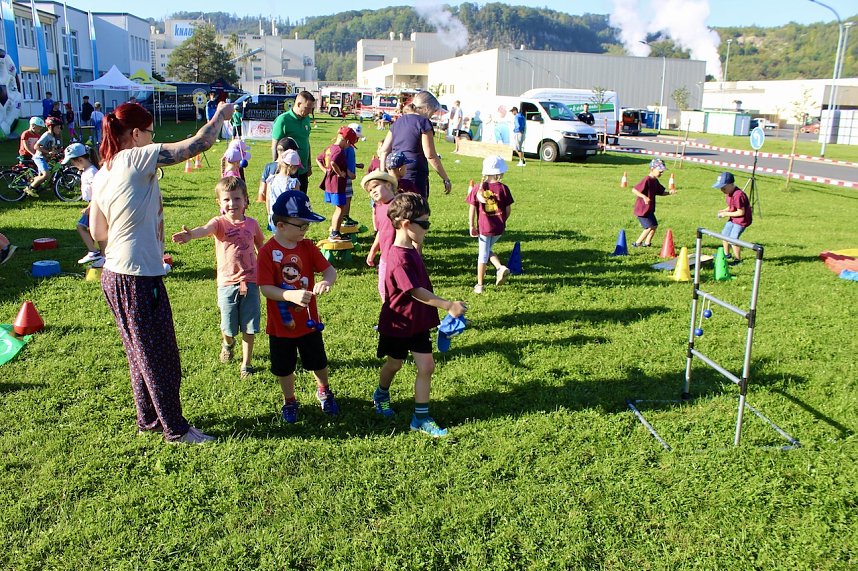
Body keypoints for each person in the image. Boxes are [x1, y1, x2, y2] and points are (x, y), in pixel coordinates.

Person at [88, 100, 235, 444]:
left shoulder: (104, 170)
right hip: (138, 277)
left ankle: (148, 419)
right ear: (136, 134)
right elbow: (197, 144)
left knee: (138, 352)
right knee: (159, 356)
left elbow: (97, 231)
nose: (154, 138)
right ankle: (176, 430)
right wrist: (220, 116)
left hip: (114, 274)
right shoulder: (134, 157)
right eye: (151, 133)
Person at [372, 192, 467, 437]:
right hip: (398, 322)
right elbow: (414, 291)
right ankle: (381, 393)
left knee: (427, 366)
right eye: (424, 224)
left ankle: (420, 418)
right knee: (394, 364)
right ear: (405, 224)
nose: (427, 228)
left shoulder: (412, 249)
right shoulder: (397, 257)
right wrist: (447, 305)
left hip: (417, 322)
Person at [257, 190, 339, 424]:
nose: (305, 229)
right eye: (300, 224)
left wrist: (326, 280)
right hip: (281, 327)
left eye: (307, 225)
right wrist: (290, 295)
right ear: (280, 225)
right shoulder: (266, 252)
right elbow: (265, 289)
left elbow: (329, 270)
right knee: (284, 368)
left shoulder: (308, 247)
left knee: (318, 362)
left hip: (309, 323)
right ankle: (289, 400)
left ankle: (324, 390)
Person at [171, 177, 265, 379]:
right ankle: (228, 343)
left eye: (237, 199)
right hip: (227, 284)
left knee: (250, 326)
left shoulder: (253, 224)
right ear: (219, 203)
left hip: (250, 281)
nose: (232, 204)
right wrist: (191, 235)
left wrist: (270, 265)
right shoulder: (219, 223)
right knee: (229, 327)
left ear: (246, 200)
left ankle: (246, 364)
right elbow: (205, 230)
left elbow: (261, 247)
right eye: (227, 200)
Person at [378, 91, 452, 200]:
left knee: (398, 207)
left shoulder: (398, 121)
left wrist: (384, 174)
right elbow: (430, 155)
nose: (433, 114)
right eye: (434, 110)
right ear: (427, 107)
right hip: (414, 173)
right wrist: (445, 178)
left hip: (395, 170)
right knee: (417, 209)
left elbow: (384, 150)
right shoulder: (424, 123)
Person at [467, 155, 514, 294]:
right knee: (487, 251)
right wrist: (503, 220)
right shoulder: (504, 188)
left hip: (484, 228)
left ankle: (480, 285)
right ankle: (500, 268)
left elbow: (471, 208)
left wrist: (471, 225)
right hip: (498, 228)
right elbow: (508, 209)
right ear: (499, 172)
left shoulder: (477, 188)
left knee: (482, 254)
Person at [62, 142, 105, 268]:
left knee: (82, 226)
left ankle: (94, 252)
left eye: (72, 162)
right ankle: (102, 255)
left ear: (80, 159)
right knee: (95, 230)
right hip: (93, 204)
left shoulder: (92, 172)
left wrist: (90, 207)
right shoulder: (86, 170)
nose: (72, 165)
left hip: (95, 204)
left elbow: (98, 191)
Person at [316, 126, 357, 242]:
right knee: (340, 209)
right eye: (350, 144)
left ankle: (336, 231)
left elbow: (318, 159)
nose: (349, 147)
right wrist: (340, 173)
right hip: (337, 185)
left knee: (339, 208)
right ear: (347, 141)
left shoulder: (330, 148)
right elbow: (333, 162)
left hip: (331, 184)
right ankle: (335, 233)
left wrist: (326, 170)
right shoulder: (339, 150)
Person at [362, 171, 399, 298]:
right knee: (383, 288)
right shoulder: (378, 208)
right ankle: (389, 313)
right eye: (370, 190)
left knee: (401, 288)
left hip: (399, 256)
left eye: (376, 186)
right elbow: (381, 231)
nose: (373, 191)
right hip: (385, 257)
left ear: (388, 185)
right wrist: (372, 251)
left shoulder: (398, 206)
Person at [271, 91, 316, 192]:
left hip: (302, 170)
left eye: (311, 109)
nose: (309, 111)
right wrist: (276, 168)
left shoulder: (306, 119)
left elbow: (306, 142)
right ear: (299, 104)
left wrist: (308, 165)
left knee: (301, 201)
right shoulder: (283, 120)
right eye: (307, 108)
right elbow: (275, 146)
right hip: (288, 170)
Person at [631, 158, 675, 248]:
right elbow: (634, 190)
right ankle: (637, 243)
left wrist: (669, 193)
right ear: (652, 169)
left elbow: (661, 192)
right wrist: (644, 197)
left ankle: (647, 243)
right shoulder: (647, 179)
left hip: (649, 209)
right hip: (642, 210)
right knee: (648, 227)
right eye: (660, 171)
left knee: (654, 226)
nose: (661, 173)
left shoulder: (655, 181)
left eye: (662, 172)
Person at [713, 171, 752, 262]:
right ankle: (727, 255)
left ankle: (738, 260)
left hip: (741, 221)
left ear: (730, 184)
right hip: (734, 219)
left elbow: (741, 212)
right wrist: (725, 210)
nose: (722, 190)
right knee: (724, 235)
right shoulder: (729, 193)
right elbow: (732, 206)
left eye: (723, 188)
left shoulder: (738, 195)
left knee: (733, 239)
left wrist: (726, 214)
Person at [25, 116, 63, 196]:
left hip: (45, 158)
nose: (59, 129)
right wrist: (48, 152)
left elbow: (52, 148)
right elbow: (36, 146)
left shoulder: (53, 136)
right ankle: (29, 188)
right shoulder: (46, 135)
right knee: (46, 175)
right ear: (50, 127)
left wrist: (57, 151)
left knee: (43, 176)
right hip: (39, 157)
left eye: (60, 127)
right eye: (57, 127)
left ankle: (37, 186)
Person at [266, 149, 302, 231]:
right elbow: (297, 203)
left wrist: (269, 214)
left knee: (277, 239)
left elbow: (268, 198)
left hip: (273, 216)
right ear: (293, 167)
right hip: (288, 219)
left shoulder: (271, 179)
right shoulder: (293, 183)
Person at [342, 122, 365, 227]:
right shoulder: (345, 147)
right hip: (345, 177)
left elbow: (348, 161)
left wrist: (356, 165)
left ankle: (346, 215)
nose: (358, 139)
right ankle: (344, 217)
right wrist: (348, 172)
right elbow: (340, 162)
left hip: (349, 177)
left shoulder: (350, 147)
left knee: (349, 197)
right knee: (346, 198)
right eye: (356, 137)